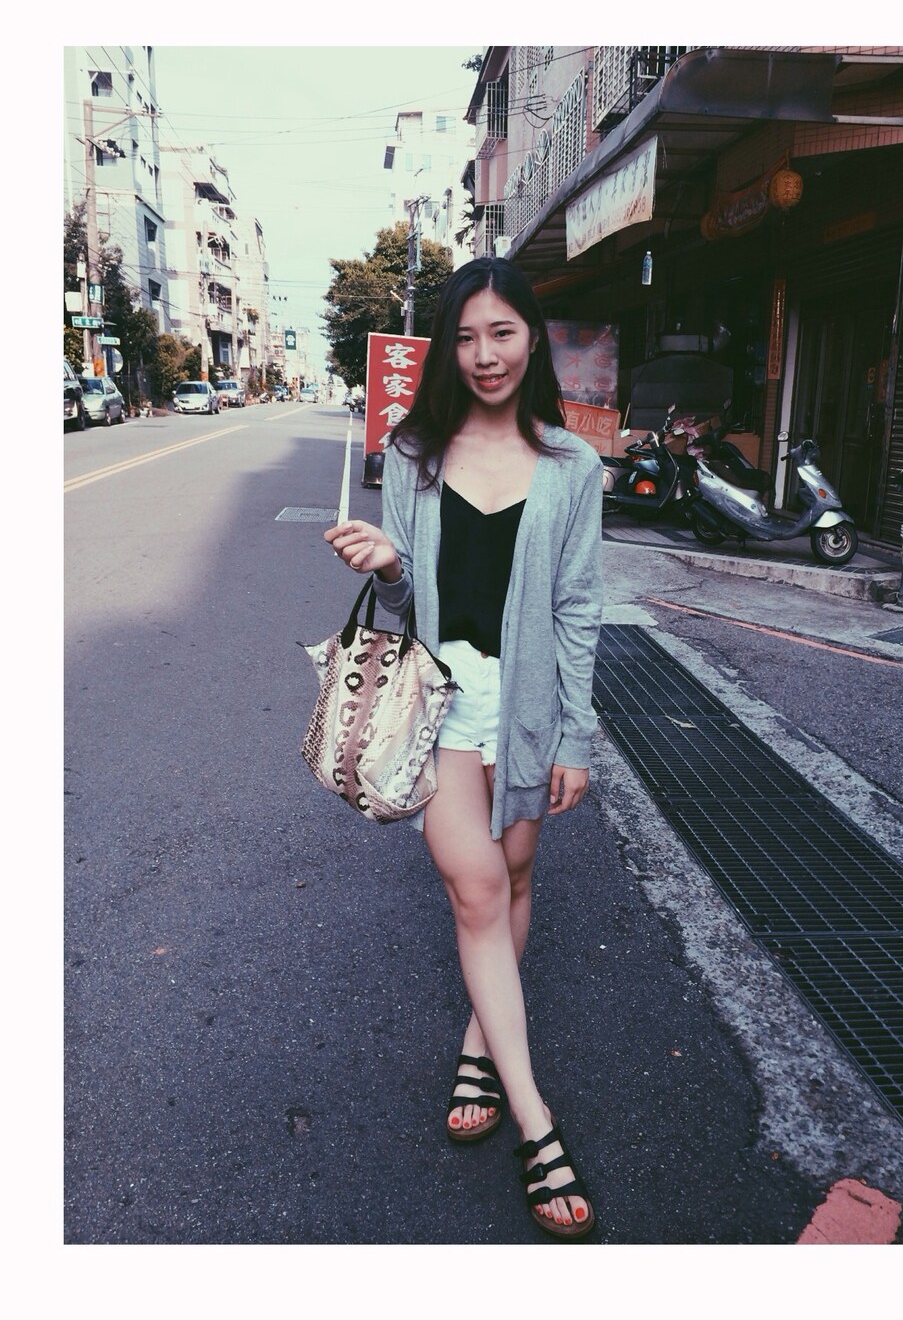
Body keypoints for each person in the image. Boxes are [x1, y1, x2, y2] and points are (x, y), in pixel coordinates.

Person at [324, 257, 604, 1241]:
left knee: (517, 876)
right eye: (467, 336)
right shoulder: (413, 454)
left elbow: (577, 609)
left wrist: (576, 735)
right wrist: (388, 564)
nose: (485, 355)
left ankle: (481, 1046)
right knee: (478, 889)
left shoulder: (572, 466)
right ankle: (537, 1124)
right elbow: (405, 604)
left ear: (532, 341)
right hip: (437, 703)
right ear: (447, 348)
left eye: (503, 333)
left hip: (528, 706)